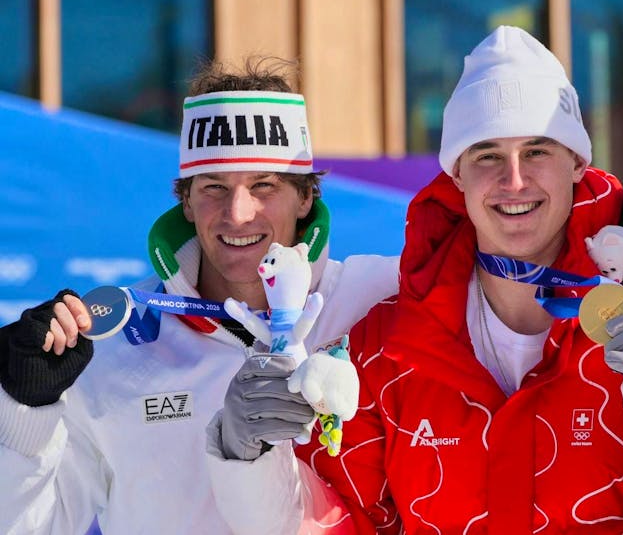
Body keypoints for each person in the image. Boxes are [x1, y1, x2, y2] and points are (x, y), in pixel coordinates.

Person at [207, 26, 623, 534]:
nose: (515, 180)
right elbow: (341, 523)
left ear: (576, 161)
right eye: (487, 156)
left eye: (537, 151)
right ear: (455, 175)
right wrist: (247, 463)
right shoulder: (384, 352)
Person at [0, 58, 398, 534]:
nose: (238, 212)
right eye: (214, 187)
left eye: (263, 186)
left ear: (306, 197)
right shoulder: (116, 342)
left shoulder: (378, 300)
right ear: (186, 201)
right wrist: (23, 412)